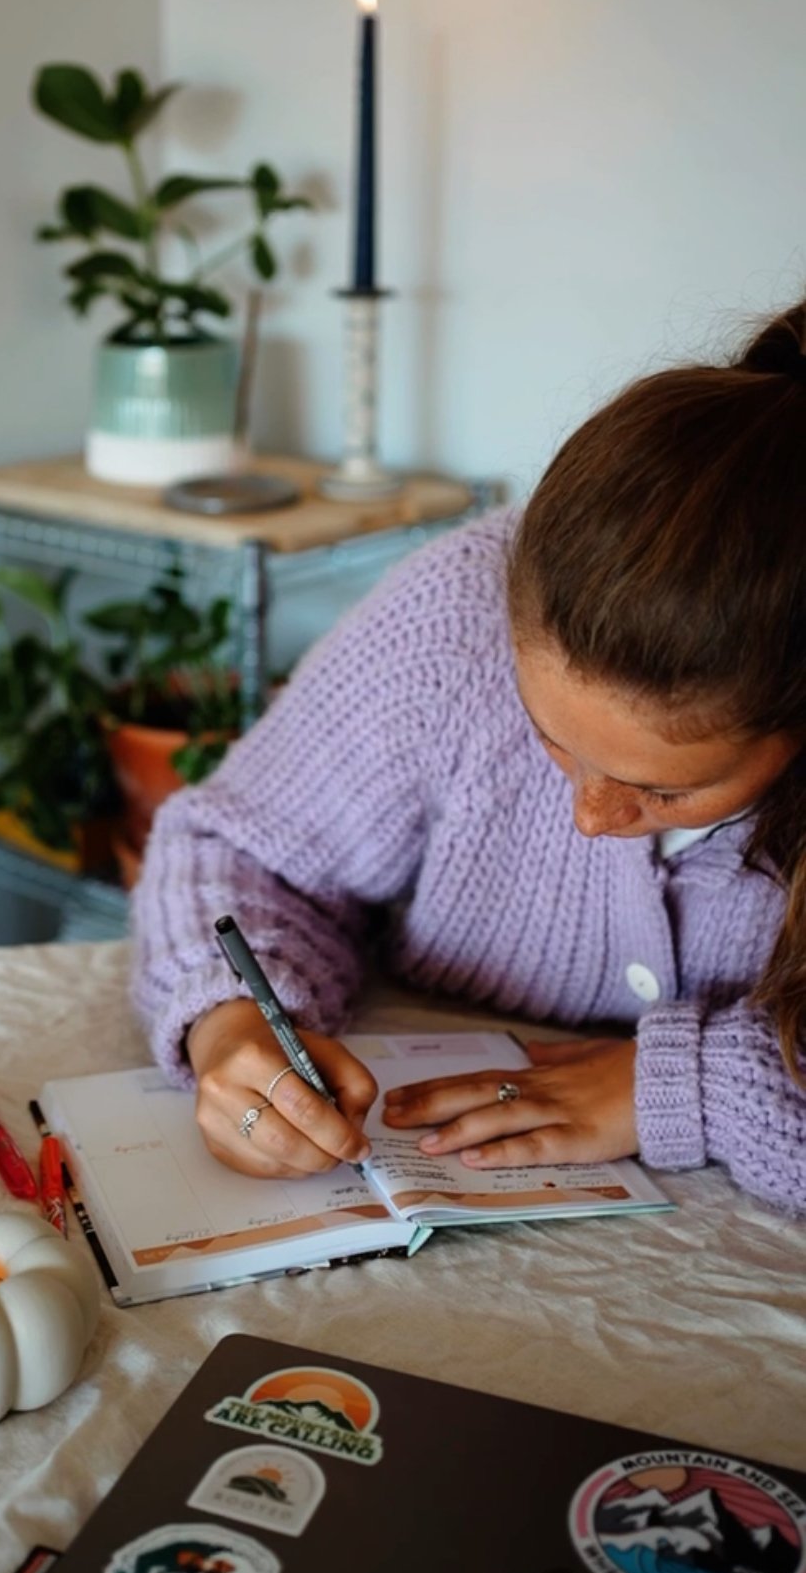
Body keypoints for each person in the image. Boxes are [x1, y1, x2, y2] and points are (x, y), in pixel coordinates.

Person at [129, 300, 806, 1217]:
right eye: (551, 741)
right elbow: (237, 848)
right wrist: (230, 1023)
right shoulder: (455, 616)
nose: (591, 818)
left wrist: (691, 1085)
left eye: (663, 789)